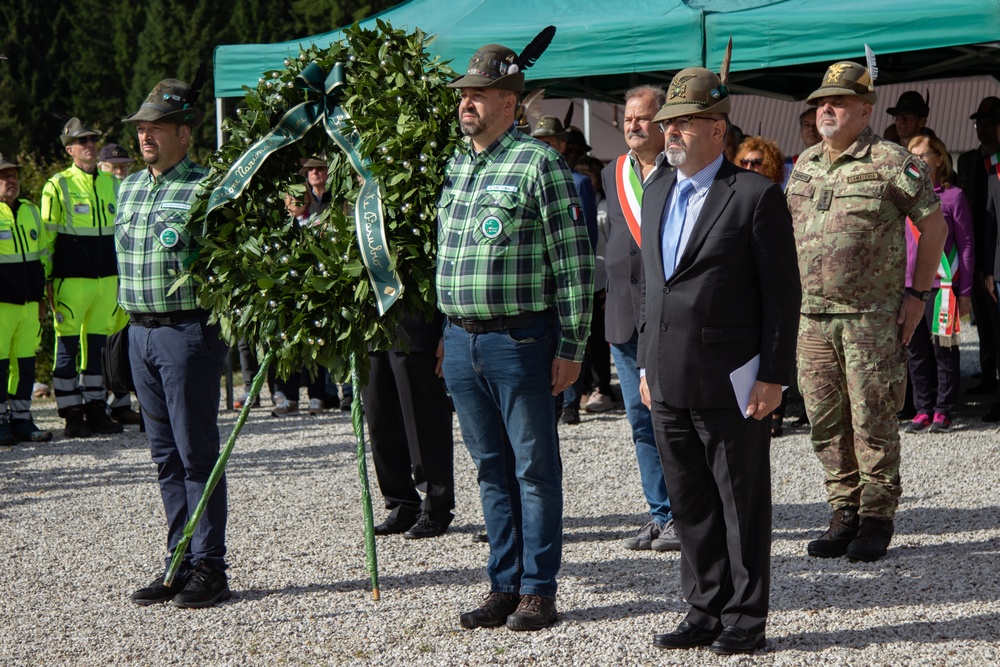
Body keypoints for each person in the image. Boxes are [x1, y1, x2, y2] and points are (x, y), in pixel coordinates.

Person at [638, 63, 800, 656]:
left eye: (684, 122)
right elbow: (654, 286)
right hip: (668, 377)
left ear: (717, 128)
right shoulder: (657, 190)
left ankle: (745, 617)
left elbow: (783, 296)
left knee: (741, 506)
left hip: (734, 382)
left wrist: (774, 375)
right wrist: (649, 365)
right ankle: (703, 608)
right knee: (690, 504)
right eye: (668, 123)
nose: (671, 132)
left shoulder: (754, 196)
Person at [437, 42, 593, 632]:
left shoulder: (538, 164)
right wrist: (444, 336)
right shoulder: (458, 163)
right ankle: (502, 583)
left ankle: (538, 589)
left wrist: (573, 347)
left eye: (478, 93)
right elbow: (448, 256)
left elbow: (574, 264)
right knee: (489, 468)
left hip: (520, 340)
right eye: (463, 94)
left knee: (533, 468)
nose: (466, 103)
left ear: (510, 101)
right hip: (461, 340)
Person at [785, 61, 947, 564]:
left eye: (837, 102)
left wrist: (918, 297)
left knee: (873, 418)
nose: (826, 109)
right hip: (811, 319)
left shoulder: (891, 160)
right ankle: (843, 510)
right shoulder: (806, 162)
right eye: (821, 102)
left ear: (865, 109)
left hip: (870, 317)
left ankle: (877, 516)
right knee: (825, 420)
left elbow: (934, 227)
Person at [117, 77, 231, 608]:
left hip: (187, 332)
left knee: (196, 454)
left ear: (185, 133)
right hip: (139, 333)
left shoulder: (209, 188)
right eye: (142, 127)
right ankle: (178, 561)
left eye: (157, 127)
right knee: (164, 457)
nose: (146, 136)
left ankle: (210, 565)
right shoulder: (130, 187)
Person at [601, 84, 678, 552]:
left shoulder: (681, 168)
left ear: (663, 122)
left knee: (671, 417)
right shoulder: (613, 173)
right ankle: (659, 512)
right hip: (623, 317)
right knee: (639, 420)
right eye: (628, 118)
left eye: (642, 117)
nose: (633, 125)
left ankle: (687, 514)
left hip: (668, 317)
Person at [40, 118, 124, 438]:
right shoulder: (57, 184)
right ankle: (72, 415)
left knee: (98, 349)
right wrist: (45, 281)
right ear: (70, 149)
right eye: (82, 141)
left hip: (106, 282)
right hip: (70, 281)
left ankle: (96, 410)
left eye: (92, 139)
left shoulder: (112, 183)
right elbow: (46, 241)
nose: (90, 144)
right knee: (67, 349)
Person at [903, 132, 974, 433]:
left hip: (942, 286)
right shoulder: (903, 198)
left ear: (939, 159)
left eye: (923, 155)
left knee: (943, 350)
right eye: (912, 155)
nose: (917, 160)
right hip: (908, 287)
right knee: (915, 351)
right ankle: (922, 408)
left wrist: (967, 289)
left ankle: (944, 409)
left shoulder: (953, 196)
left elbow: (967, 244)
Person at [531, 115, 598, 425]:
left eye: (548, 142)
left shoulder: (579, 182)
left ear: (561, 145)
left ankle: (571, 401)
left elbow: (586, 238)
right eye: (538, 141)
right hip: (539, 282)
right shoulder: (530, 176)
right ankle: (553, 399)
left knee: (571, 338)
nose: (542, 147)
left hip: (566, 274)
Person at [365, 310, 455, 539]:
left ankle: (436, 507)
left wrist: (448, 330)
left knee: (424, 422)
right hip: (370, 330)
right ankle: (401, 503)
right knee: (379, 422)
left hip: (416, 328)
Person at [735, 136, 789, 435]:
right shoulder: (736, 194)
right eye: (744, 162)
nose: (750, 166)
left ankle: (777, 411)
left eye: (756, 161)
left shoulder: (776, 195)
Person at [0, 154, 53, 445]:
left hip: (29, 304)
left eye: (14, 176)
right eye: (4, 176)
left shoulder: (30, 211)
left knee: (25, 364)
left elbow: (42, 257)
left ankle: (21, 420)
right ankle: (0, 422)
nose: (11, 180)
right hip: (2, 306)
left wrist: (42, 297)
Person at [957, 98, 1000, 404]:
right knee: (982, 320)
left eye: (989, 122)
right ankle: (988, 375)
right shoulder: (968, 161)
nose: (983, 128)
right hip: (973, 247)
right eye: (979, 122)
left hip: (994, 252)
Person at [573, 155, 615, 414]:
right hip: (584, 278)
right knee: (582, 338)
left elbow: (614, 246)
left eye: (591, 175)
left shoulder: (607, 207)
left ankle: (603, 387)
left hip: (601, 279)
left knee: (599, 338)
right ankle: (584, 386)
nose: (587, 179)